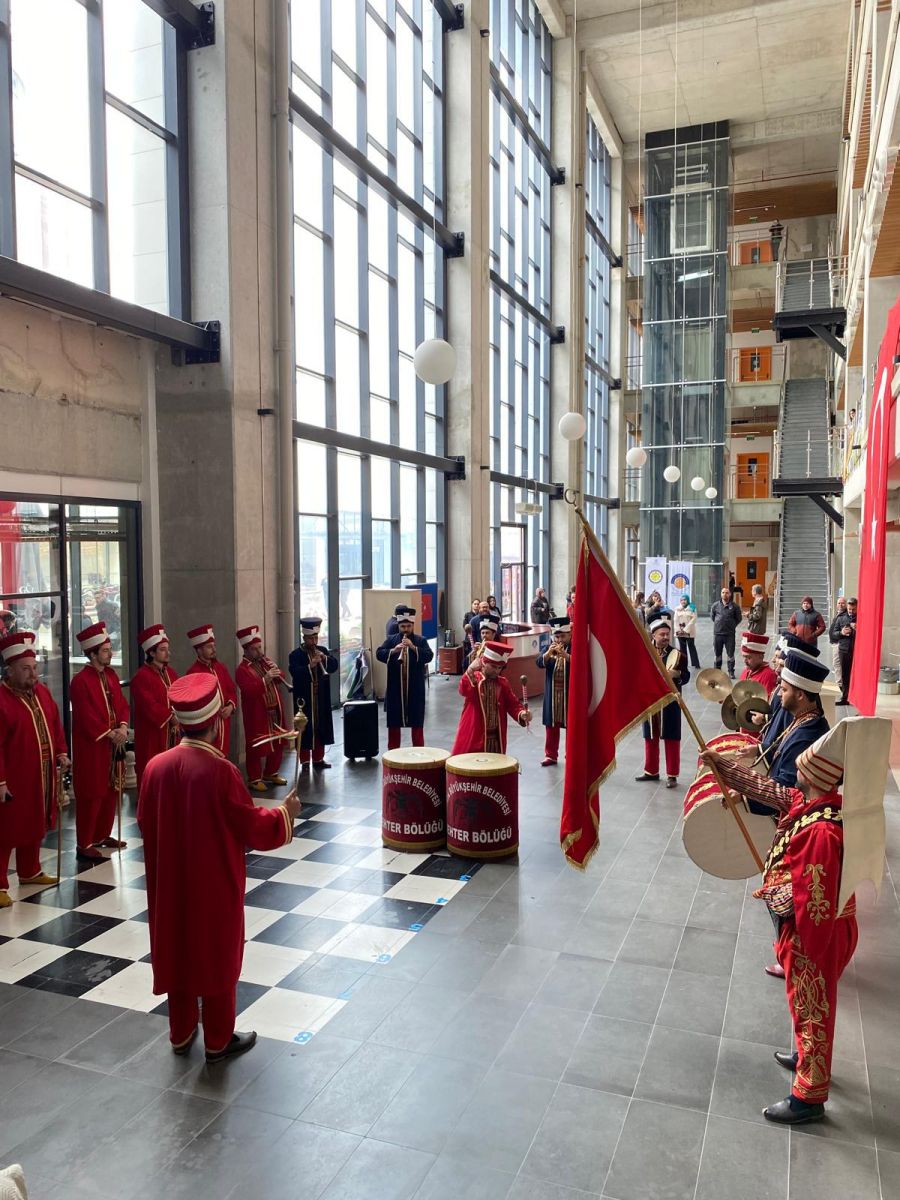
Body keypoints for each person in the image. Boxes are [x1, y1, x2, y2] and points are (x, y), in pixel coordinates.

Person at [703, 717, 888, 1124]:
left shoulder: (823, 831)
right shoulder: (810, 804)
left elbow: (816, 904)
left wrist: (794, 931)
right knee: (805, 1006)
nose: (795, 772)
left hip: (813, 935)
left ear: (816, 778)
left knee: (813, 1008)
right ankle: (807, 1056)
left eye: (802, 769)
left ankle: (809, 1095)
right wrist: (723, 767)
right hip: (808, 928)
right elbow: (771, 791)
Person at [138, 673, 301, 1063]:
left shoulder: (155, 767)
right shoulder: (220, 771)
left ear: (179, 722)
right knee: (215, 952)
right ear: (217, 723)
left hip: (169, 882)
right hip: (211, 883)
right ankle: (217, 1039)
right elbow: (252, 827)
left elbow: (145, 821)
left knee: (176, 946)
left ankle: (179, 1034)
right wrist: (284, 813)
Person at [704, 650, 830, 978]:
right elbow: (776, 752)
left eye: (785, 689)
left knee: (785, 899)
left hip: (800, 830)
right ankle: (791, 955)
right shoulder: (806, 721)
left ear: (801, 695)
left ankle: (793, 960)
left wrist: (739, 787)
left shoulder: (808, 735)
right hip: (799, 822)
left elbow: (784, 795)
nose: (779, 692)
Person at [0, 632, 69, 906]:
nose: (33, 674)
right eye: (26, 669)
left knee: (36, 820)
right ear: (10, 671)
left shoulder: (41, 692)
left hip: (42, 772)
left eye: (35, 667)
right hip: (14, 777)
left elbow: (55, 722)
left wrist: (62, 751)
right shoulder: (2, 700)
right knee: (6, 829)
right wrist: (1, 781)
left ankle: (30, 871)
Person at [70, 622, 130, 861]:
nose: (110, 653)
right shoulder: (80, 681)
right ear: (92, 653)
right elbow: (85, 716)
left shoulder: (111, 675)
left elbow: (122, 705)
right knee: (91, 793)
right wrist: (110, 732)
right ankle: (84, 842)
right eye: (105, 651)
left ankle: (103, 834)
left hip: (114, 743)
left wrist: (123, 726)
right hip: (93, 747)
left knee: (111, 790)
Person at [451, 640, 532, 754]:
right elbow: (463, 690)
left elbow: (513, 704)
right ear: (483, 662)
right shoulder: (475, 678)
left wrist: (522, 713)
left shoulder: (503, 683)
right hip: (474, 736)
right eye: (493, 666)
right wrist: (470, 670)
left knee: (495, 770)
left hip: (496, 739)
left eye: (500, 668)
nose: (497, 671)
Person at [635, 617, 689, 788]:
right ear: (654, 635)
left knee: (671, 737)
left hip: (670, 702)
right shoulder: (644, 652)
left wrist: (678, 675)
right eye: (662, 634)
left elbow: (686, 676)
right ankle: (651, 771)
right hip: (649, 700)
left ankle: (672, 775)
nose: (666, 637)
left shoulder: (678, 655)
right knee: (650, 736)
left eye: (668, 634)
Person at [235, 625, 290, 791]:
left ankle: (271, 772)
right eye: (255, 649)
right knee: (256, 745)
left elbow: (281, 677)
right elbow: (248, 690)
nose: (259, 651)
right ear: (246, 650)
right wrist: (265, 679)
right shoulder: (242, 670)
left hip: (275, 710)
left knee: (278, 741)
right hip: (256, 713)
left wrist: (276, 672)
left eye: (260, 647)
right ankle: (254, 778)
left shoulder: (265, 663)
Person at [376, 606, 434, 749]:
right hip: (395, 689)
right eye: (403, 626)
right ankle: (393, 753)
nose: (406, 629)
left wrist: (413, 647)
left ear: (413, 625)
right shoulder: (391, 640)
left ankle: (419, 753)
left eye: (408, 626)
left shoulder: (420, 640)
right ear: (398, 626)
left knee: (417, 722)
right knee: (394, 723)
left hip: (415, 689)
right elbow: (379, 653)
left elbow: (429, 655)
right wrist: (393, 650)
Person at [131, 624, 179, 790]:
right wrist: (171, 717)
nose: (168, 653)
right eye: (163, 650)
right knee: (152, 773)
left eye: (168, 649)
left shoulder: (170, 673)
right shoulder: (141, 677)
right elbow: (149, 706)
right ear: (151, 652)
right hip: (152, 736)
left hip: (172, 734)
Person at [289, 617, 339, 769]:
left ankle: (318, 759)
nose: (314, 641)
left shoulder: (322, 651)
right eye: (311, 638)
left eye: (316, 637)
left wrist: (325, 659)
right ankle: (304, 760)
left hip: (321, 698)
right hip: (304, 698)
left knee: (320, 727)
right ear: (304, 638)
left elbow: (334, 667)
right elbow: (295, 673)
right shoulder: (295, 655)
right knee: (305, 727)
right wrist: (310, 666)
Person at [185, 624, 238, 758]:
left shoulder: (221, 667)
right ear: (199, 650)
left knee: (223, 755)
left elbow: (231, 690)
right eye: (209, 647)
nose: (214, 649)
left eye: (214, 646)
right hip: (207, 726)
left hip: (224, 722)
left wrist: (230, 706)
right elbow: (194, 703)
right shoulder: (193, 673)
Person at [537, 615, 571, 766]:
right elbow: (538, 662)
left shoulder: (576, 646)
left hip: (569, 693)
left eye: (563, 636)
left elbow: (584, 664)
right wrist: (547, 655)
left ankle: (570, 754)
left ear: (569, 634)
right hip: (552, 693)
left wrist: (567, 656)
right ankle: (550, 755)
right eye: (557, 636)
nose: (559, 640)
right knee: (550, 724)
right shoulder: (549, 646)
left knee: (571, 725)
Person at [710, 587, 742, 678]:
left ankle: (731, 672)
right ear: (721, 594)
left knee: (730, 655)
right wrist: (719, 624)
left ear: (730, 594)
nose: (725, 594)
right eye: (723, 592)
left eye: (727, 593)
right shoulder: (715, 605)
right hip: (718, 634)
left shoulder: (735, 606)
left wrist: (731, 625)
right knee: (718, 654)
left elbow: (739, 619)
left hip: (729, 635)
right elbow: (713, 617)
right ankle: (717, 671)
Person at [832, 597, 857, 705]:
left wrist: (858, 628)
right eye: (849, 609)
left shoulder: (862, 617)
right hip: (844, 650)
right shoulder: (841, 618)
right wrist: (841, 632)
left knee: (856, 675)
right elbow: (833, 634)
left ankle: (857, 698)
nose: (851, 611)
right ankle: (845, 698)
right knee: (845, 675)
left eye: (853, 609)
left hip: (857, 651)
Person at [738, 631, 779, 696]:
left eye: (748, 657)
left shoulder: (769, 676)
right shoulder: (746, 671)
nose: (745, 661)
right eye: (744, 657)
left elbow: (766, 703)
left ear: (760, 657)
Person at [673, 595, 700, 667]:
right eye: (681, 600)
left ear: (688, 600)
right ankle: (684, 664)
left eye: (685, 600)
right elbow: (675, 620)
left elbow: (693, 620)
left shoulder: (692, 608)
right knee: (682, 648)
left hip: (689, 632)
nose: (683, 601)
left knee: (691, 647)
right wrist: (678, 630)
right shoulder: (677, 609)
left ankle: (696, 663)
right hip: (680, 632)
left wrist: (685, 630)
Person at [828, 597, 848, 690]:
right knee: (836, 665)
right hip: (835, 642)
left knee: (838, 664)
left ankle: (840, 685)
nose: (840, 605)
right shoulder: (838, 615)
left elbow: (843, 631)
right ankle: (840, 684)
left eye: (843, 603)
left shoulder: (845, 616)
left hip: (840, 643)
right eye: (839, 603)